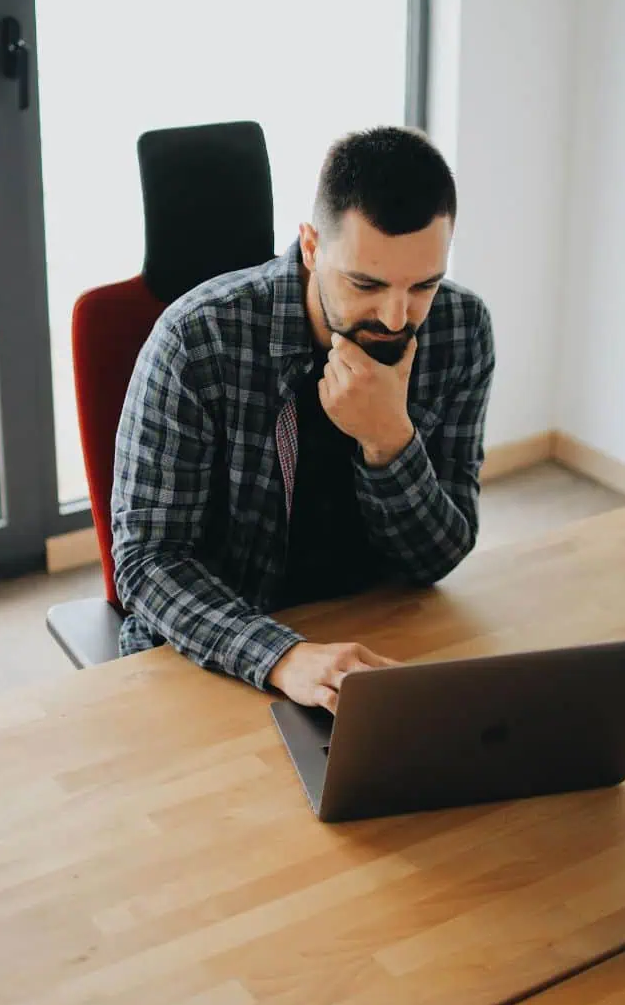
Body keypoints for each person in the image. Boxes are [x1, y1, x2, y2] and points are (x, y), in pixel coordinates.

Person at [112, 126, 495, 713]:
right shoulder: (197, 340)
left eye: (424, 285)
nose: (396, 318)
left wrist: (388, 439)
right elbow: (146, 563)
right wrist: (282, 656)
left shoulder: (461, 329)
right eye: (365, 283)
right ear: (312, 246)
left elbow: (438, 558)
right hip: (218, 654)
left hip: (373, 641)